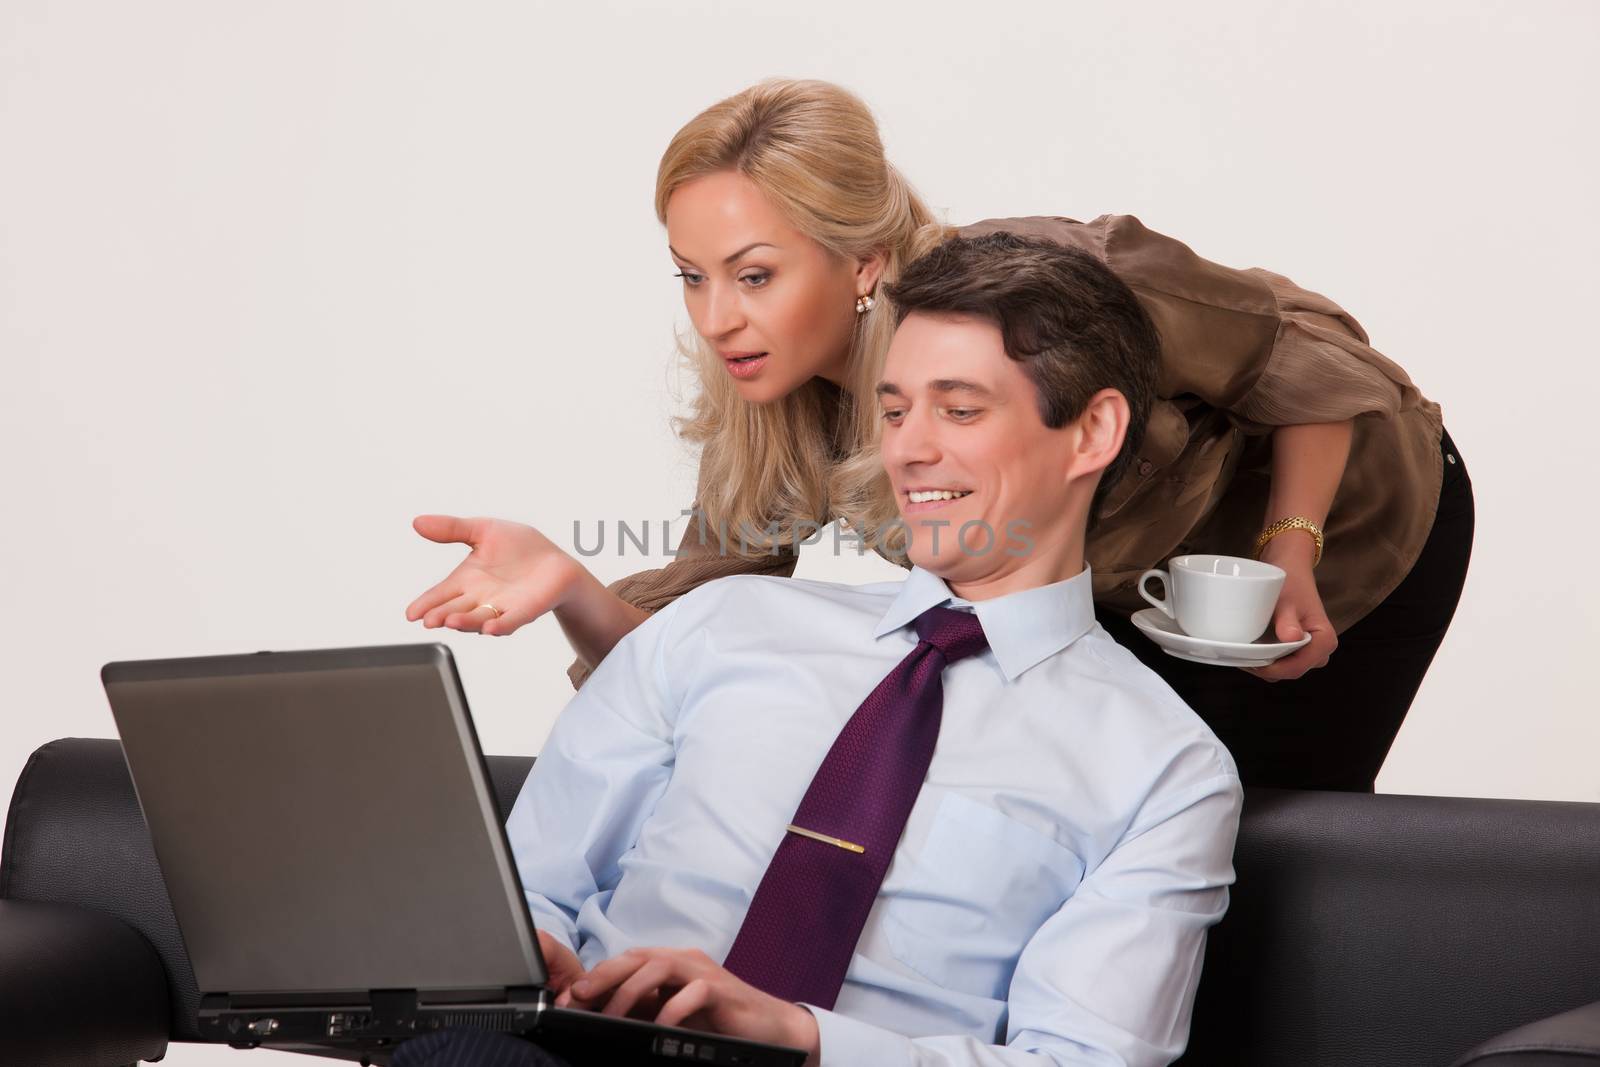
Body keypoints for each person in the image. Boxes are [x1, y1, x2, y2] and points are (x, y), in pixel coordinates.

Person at [404, 78, 1472, 792]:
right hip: (1130, 586)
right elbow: (681, 658)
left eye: (755, 275)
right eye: (692, 277)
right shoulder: (771, 406)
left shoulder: (1043, 289)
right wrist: (565, 583)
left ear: (862, 259)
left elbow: (1316, 364)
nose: (717, 317)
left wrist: (1291, 547)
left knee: (1253, 830)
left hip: (1353, 513)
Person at [394, 233, 1242, 1067]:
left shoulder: (1165, 768)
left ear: (1092, 431)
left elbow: (1082, 1059)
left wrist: (798, 1036)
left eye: (960, 408)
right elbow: (532, 885)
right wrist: (529, 949)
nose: (909, 448)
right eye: (896, 408)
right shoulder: (719, 624)